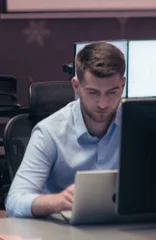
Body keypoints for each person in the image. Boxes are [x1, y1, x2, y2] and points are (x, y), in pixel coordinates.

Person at [6, 42, 126, 218]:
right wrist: (58, 201)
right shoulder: (49, 131)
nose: (103, 104)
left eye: (112, 92)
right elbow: (15, 202)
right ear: (76, 86)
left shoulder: (138, 125)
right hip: (64, 230)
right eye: (93, 92)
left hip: (128, 228)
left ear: (123, 85)